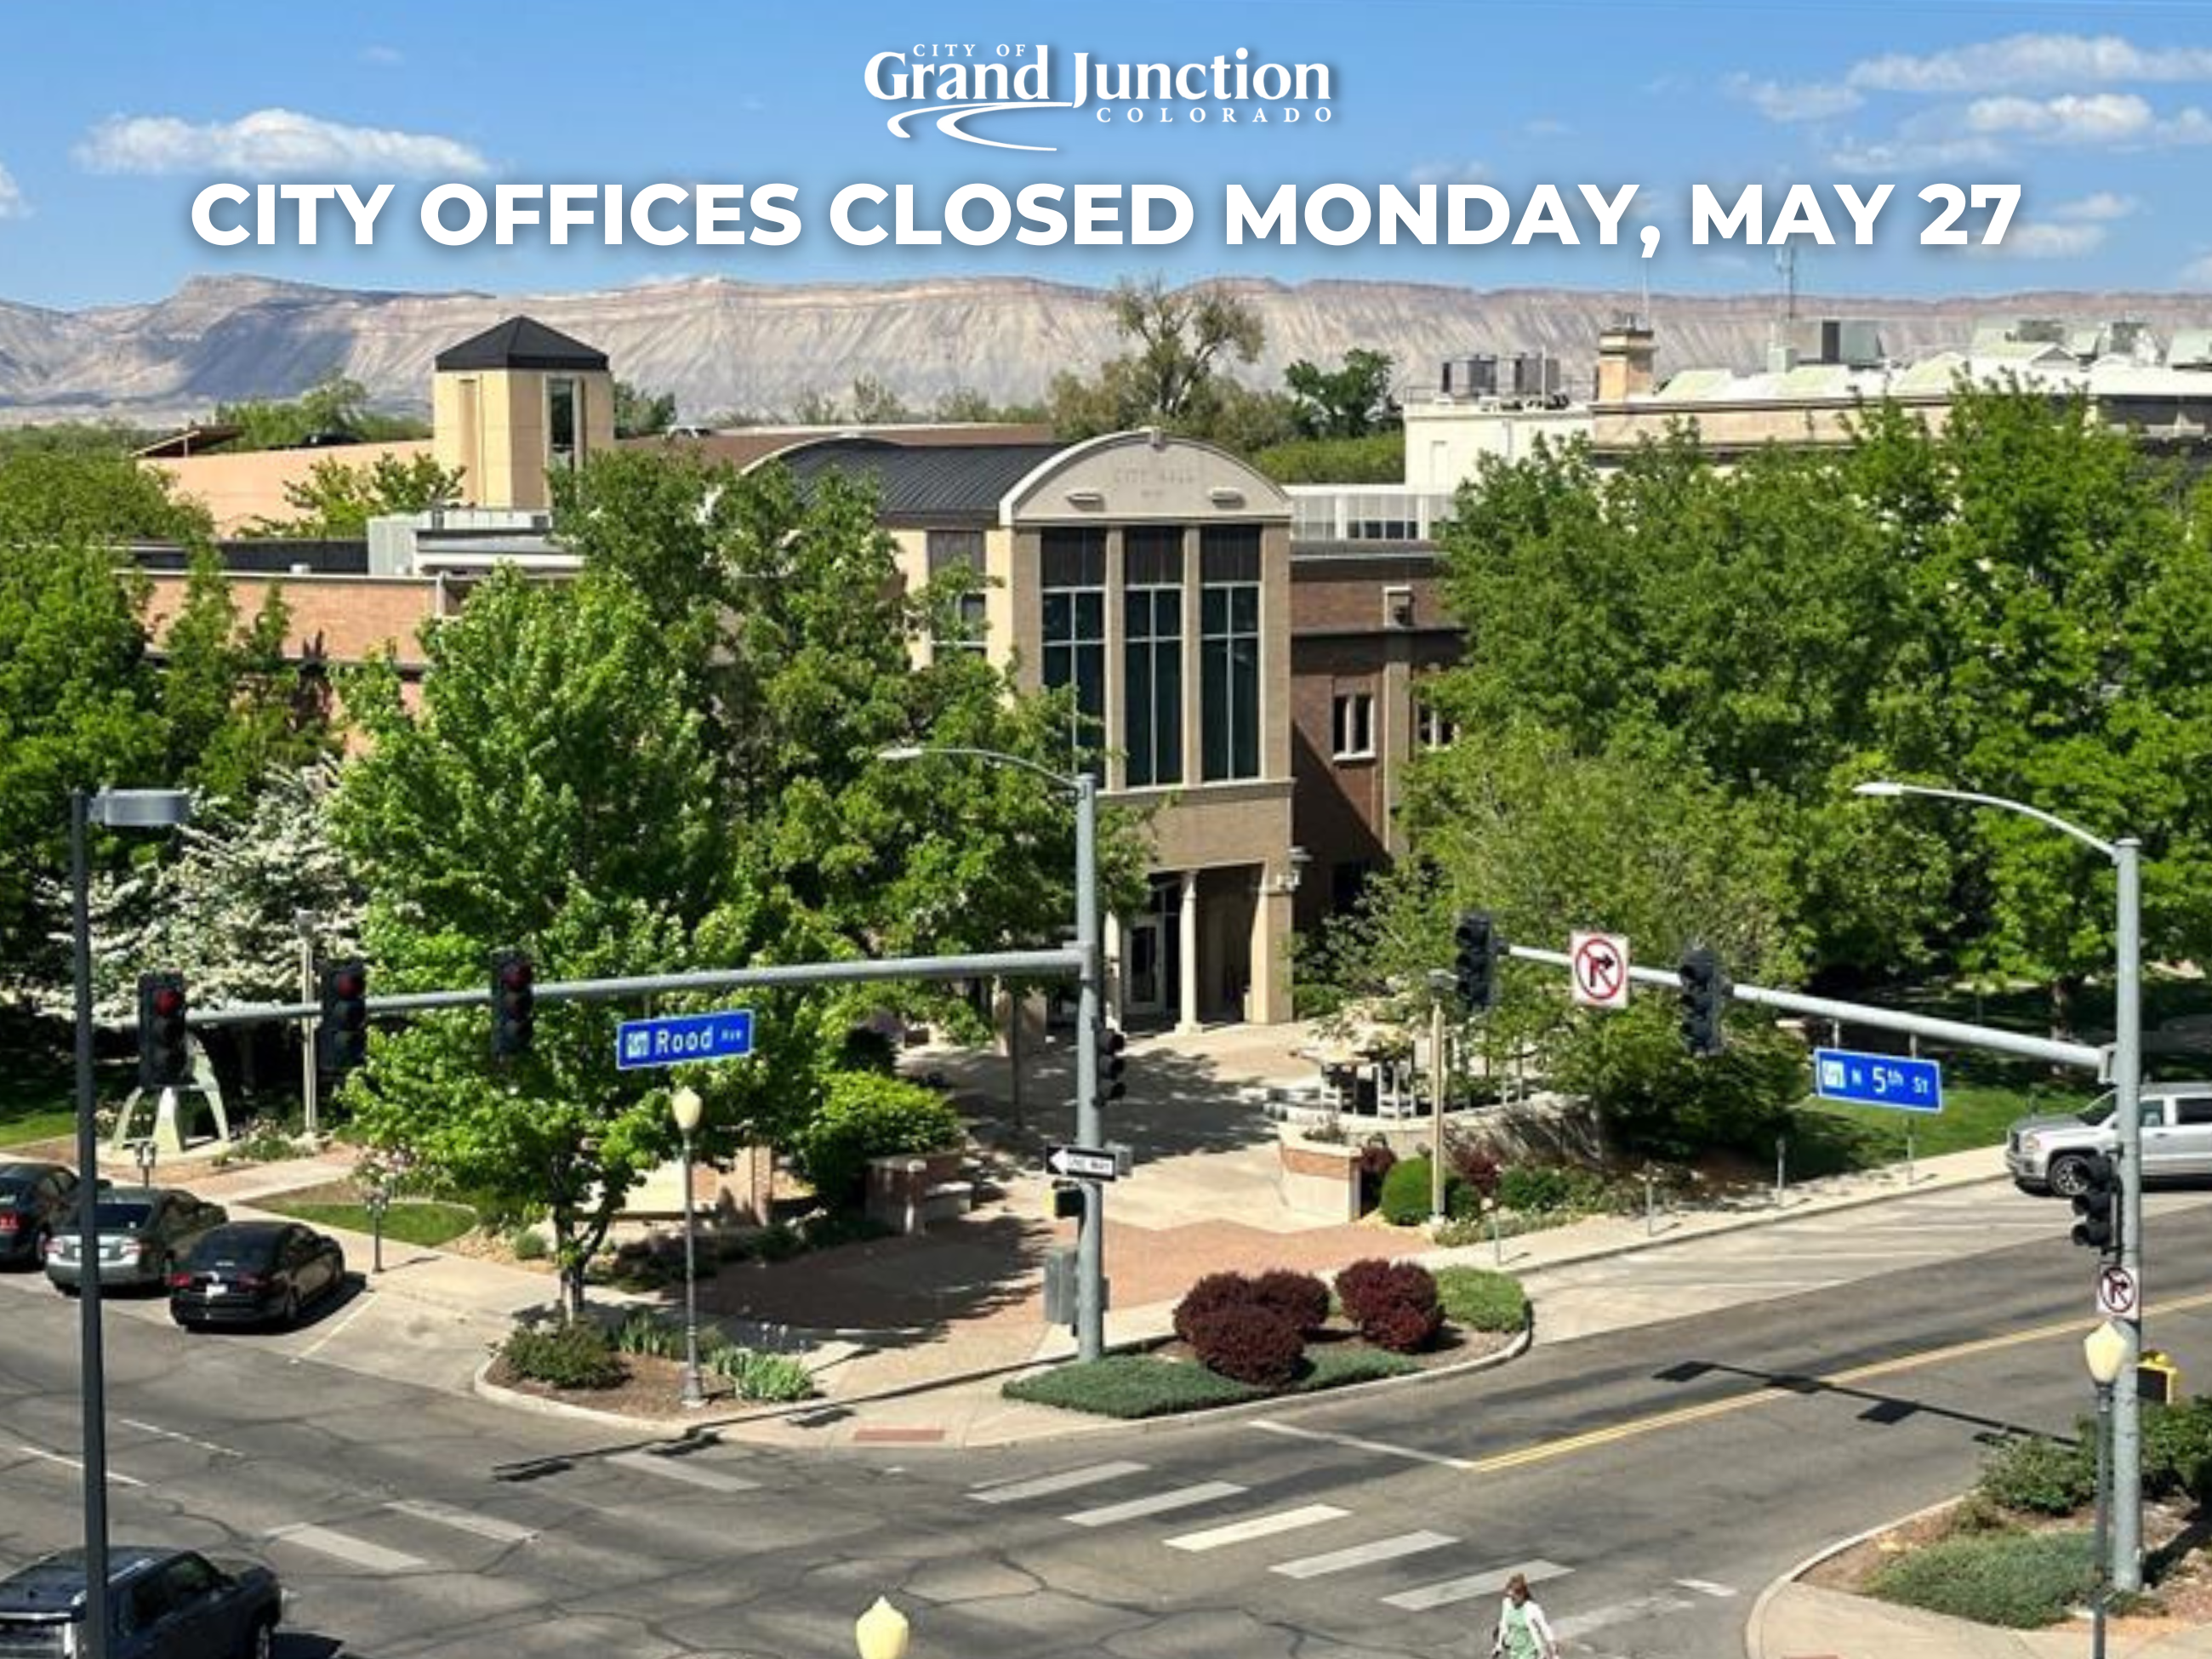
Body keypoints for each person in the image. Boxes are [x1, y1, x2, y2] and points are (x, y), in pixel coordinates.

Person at [1490, 1572, 1560, 1659]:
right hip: (1514, 1652)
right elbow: (1503, 1624)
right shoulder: (1507, 1603)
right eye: (1509, 1596)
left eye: (1513, 1598)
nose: (1511, 1600)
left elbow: (1545, 1629)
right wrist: (1498, 1646)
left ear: (1522, 1595)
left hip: (1530, 1653)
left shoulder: (1532, 1608)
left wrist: (1555, 1654)